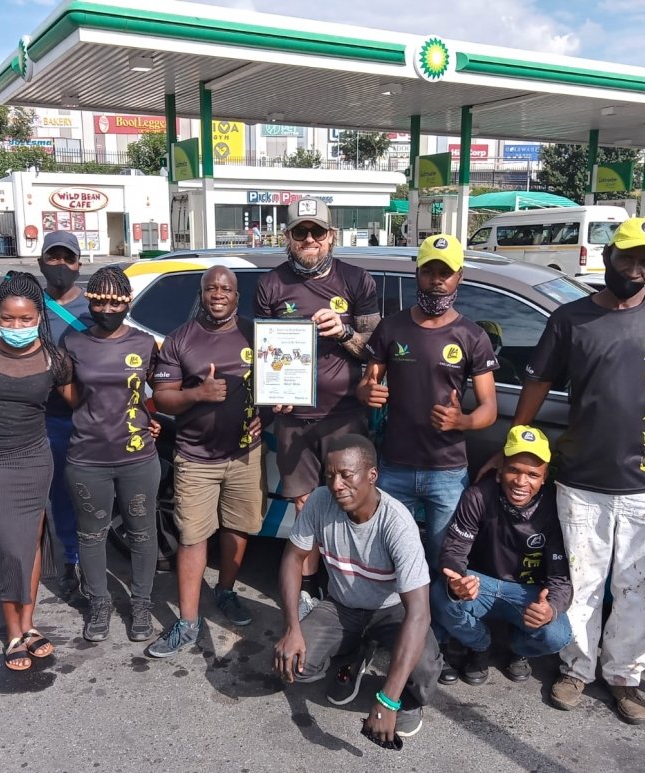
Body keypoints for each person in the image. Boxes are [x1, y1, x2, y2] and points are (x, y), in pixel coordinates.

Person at [482, 217, 645, 724]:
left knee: (640, 588)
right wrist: (513, 446)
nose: (636, 269)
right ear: (607, 256)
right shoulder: (569, 319)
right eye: (628, 257)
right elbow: (537, 383)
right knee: (581, 584)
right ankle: (576, 669)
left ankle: (624, 677)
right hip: (581, 481)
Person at [255, 196, 381, 618]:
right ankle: (309, 591)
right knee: (306, 509)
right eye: (300, 231)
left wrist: (343, 331)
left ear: (331, 236)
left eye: (317, 231)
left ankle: (350, 590)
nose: (309, 239)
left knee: (353, 504)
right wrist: (271, 392)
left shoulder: (357, 279)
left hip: (345, 415)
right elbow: (261, 353)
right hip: (293, 420)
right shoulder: (270, 284)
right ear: (288, 237)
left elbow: (375, 351)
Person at [273, 435, 442, 743]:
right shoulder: (320, 501)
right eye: (330, 476)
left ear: (371, 475)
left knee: (424, 671)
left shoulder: (397, 524)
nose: (336, 485)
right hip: (342, 606)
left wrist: (388, 700)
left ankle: (406, 698)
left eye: (346, 475)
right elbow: (292, 559)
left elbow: (419, 614)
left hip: (391, 611)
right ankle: (357, 652)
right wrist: (292, 628)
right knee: (293, 664)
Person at [0, 271, 73, 671]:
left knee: (30, 540)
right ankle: (13, 632)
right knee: (8, 544)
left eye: (25, 319)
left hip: (34, 460)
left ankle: (29, 623)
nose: (16, 326)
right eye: (8, 318)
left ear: (39, 316)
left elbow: (84, 401)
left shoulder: (55, 359)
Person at [146, 267, 266, 657]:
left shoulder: (255, 334)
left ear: (236, 296)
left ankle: (226, 591)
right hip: (195, 457)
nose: (218, 294)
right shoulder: (180, 339)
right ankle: (187, 622)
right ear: (201, 294)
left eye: (225, 288)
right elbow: (162, 396)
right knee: (192, 536)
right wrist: (198, 394)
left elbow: (279, 378)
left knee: (238, 527)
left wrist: (269, 414)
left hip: (246, 455)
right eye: (210, 288)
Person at [359, 233, 498, 568]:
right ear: (417, 273)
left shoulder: (472, 336)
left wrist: (462, 421)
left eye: (445, 273)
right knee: (390, 557)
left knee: (444, 560)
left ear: (459, 277)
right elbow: (367, 383)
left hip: (447, 472)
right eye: (429, 271)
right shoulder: (391, 327)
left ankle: (437, 605)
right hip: (395, 465)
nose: (437, 280)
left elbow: (489, 408)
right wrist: (366, 393)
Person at [59, 267, 162, 644]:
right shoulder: (73, 342)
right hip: (87, 458)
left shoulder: (145, 343)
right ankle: (99, 603)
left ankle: (141, 604)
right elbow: (71, 396)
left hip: (138, 458)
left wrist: (149, 417)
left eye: (114, 302)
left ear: (127, 302)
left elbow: (159, 391)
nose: (106, 309)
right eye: (99, 302)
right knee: (91, 535)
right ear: (89, 302)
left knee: (142, 532)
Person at [433, 425, 572, 686]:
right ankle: (480, 644)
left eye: (532, 474)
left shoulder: (555, 507)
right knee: (441, 596)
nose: (521, 481)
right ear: (500, 470)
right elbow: (455, 550)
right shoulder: (478, 495)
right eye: (514, 470)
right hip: (480, 584)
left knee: (558, 635)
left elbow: (561, 579)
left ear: (544, 478)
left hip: (527, 593)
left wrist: (550, 610)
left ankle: (517, 649)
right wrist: (456, 581)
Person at [38, 230, 95, 599]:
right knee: (60, 493)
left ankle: (92, 561)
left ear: (79, 264)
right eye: (53, 257)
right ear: (41, 262)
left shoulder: (93, 308)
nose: (61, 265)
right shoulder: (29, 305)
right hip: (48, 418)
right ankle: (69, 560)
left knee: (90, 494)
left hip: (90, 416)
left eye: (68, 258)